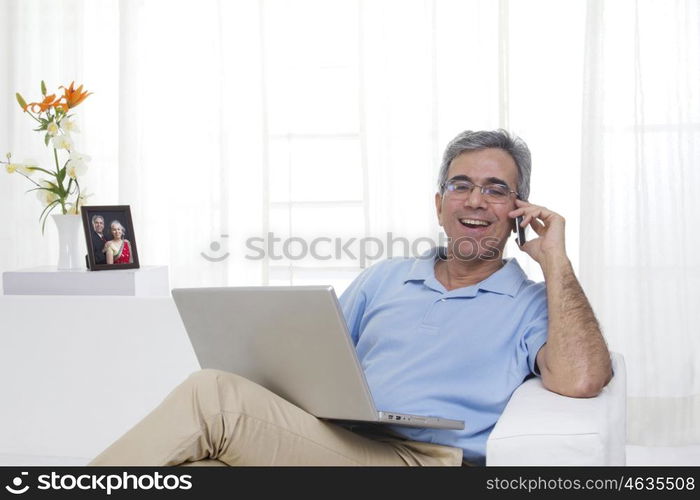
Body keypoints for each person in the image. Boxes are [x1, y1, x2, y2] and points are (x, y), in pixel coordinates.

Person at [90, 129, 612, 466]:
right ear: (439, 204)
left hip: (422, 460)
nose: (475, 200)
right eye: (460, 185)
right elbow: (316, 363)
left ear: (518, 210)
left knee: (211, 396)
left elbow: (582, 378)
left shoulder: (532, 302)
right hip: (338, 440)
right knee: (197, 466)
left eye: (496, 190)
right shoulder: (386, 278)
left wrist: (557, 261)